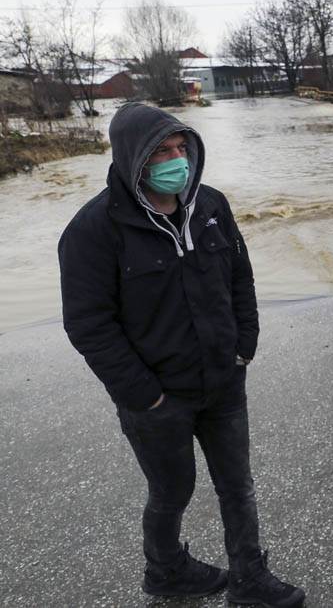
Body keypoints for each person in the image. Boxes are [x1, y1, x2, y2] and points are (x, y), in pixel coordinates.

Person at [58, 102, 305, 607]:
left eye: (182, 148)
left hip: (222, 381)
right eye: (163, 152)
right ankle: (166, 571)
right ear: (134, 160)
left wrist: (244, 346)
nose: (177, 160)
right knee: (172, 492)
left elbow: (240, 276)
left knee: (238, 486)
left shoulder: (212, 206)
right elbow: (89, 324)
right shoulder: (93, 232)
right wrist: (144, 396)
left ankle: (249, 579)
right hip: (157, 399)